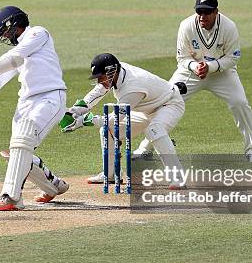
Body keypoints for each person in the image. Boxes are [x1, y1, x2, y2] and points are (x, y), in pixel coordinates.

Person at [0, 6, 69, 211]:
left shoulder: (38, 33)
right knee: (18, 152)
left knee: (22, 142)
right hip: (26, 103)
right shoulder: (16, 51)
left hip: (50, 97)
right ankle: (54, 186)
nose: (5, 36)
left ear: (15, 24)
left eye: (5, 30)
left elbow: (15, 57)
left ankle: (11, 197)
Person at [134, 0, 252, 162]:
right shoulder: (186, 25)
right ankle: (145, 148)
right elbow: (182, 58)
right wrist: (196, 67)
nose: (202, 16)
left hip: (222, 73)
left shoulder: (229, 27)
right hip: (190, 72)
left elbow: (233, 57)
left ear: (216, 12)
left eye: (207, 12)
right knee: (165, 101)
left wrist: (210, 66)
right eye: (199, 11)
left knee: (240, 103)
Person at [61, 53, 187, 190]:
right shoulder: (115, 71)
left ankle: (178, 178)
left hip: (169, 104)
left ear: (111, 72)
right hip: (144, 109)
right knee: (107, 131)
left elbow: (114, 119)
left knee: (154, 130)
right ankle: (111, 174)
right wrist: (76, 110)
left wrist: (85, 120)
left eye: (101, 77)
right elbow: (98, 91)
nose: (99, 82)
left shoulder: (132, 87)